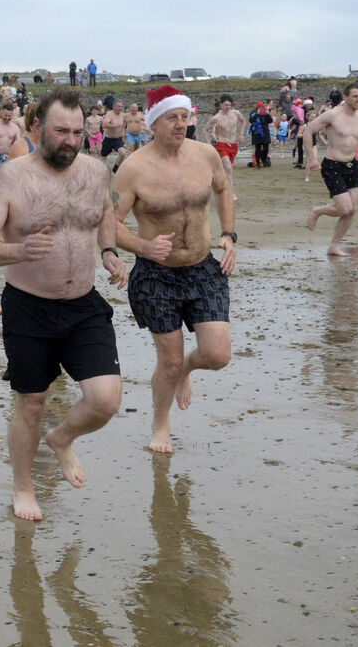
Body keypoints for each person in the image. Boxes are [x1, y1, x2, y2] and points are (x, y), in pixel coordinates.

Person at [0, 86, 127, 522]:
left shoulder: (96, 172)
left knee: (105, 400)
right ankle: (23, 486)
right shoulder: (12, 177)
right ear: (37, 127)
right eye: (61, 131)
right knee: (31, 404)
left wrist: (110, 252)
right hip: (29, 306)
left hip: (83, 306)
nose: (71, 141)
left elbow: (105, 215)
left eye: (77, 132)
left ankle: (61, 438)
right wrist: (18, 251)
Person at [113, 85, 236, 454]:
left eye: (185, 117)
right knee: (167, 361)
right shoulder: (134, 168)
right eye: (172, 118)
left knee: (217, 356)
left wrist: (229, 235)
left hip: (202, 269)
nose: (181, 124)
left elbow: (224, 190)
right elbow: (108, 223)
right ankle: (160, 425)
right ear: (153, 122)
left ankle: (186, 370)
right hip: (157, 275)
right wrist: (142, 247)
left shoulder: (206, 155)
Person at [304, 84, 358, 256]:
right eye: (355, 96)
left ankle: (333, 246)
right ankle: (317, 210)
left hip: (351, 165)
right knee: (344, 209)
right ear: (346, 97)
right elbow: (308, 131)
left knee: (352, 210)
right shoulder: (333, 115)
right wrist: (311, 158)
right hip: (333, 165)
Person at [204, 96, 245, 199]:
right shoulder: (216, 118)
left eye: (230, 105)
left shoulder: (236, 113)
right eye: (226, 105)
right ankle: (232, 193)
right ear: (221, 105)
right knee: (228, 168)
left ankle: (218, 184)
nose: (228, 107)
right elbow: (205, 130)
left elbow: (243, 121)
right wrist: (208, 143)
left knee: (226, 170)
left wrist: (241, 134)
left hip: (233, 145)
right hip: (221, 144)